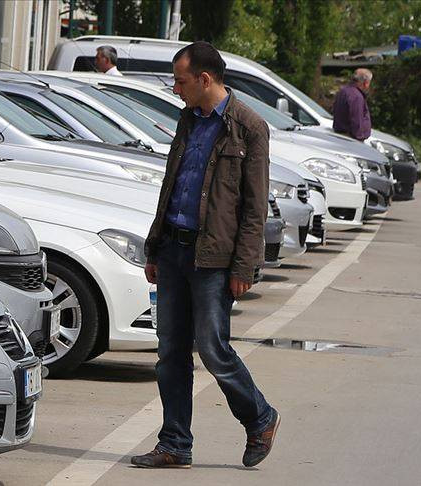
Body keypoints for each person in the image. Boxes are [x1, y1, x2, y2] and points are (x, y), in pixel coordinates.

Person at [130, 41, 279, 470]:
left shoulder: (249, 127)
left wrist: (245, 266)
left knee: (213, 348)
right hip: (174, 250)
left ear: (204, 79)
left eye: (180, 80)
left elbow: (254, 206)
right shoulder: (188, 119)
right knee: (170, 352)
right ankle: (175, 443)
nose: (175, 89)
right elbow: (172, 185)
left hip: (213, 260)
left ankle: (260, 417)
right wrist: (155, 245)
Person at [332, 68, 373, 141]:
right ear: (366, 83)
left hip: (341, 136)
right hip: (350, 140)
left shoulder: (344, 91)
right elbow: (356, 122)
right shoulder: (356, 97)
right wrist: (359, 137)